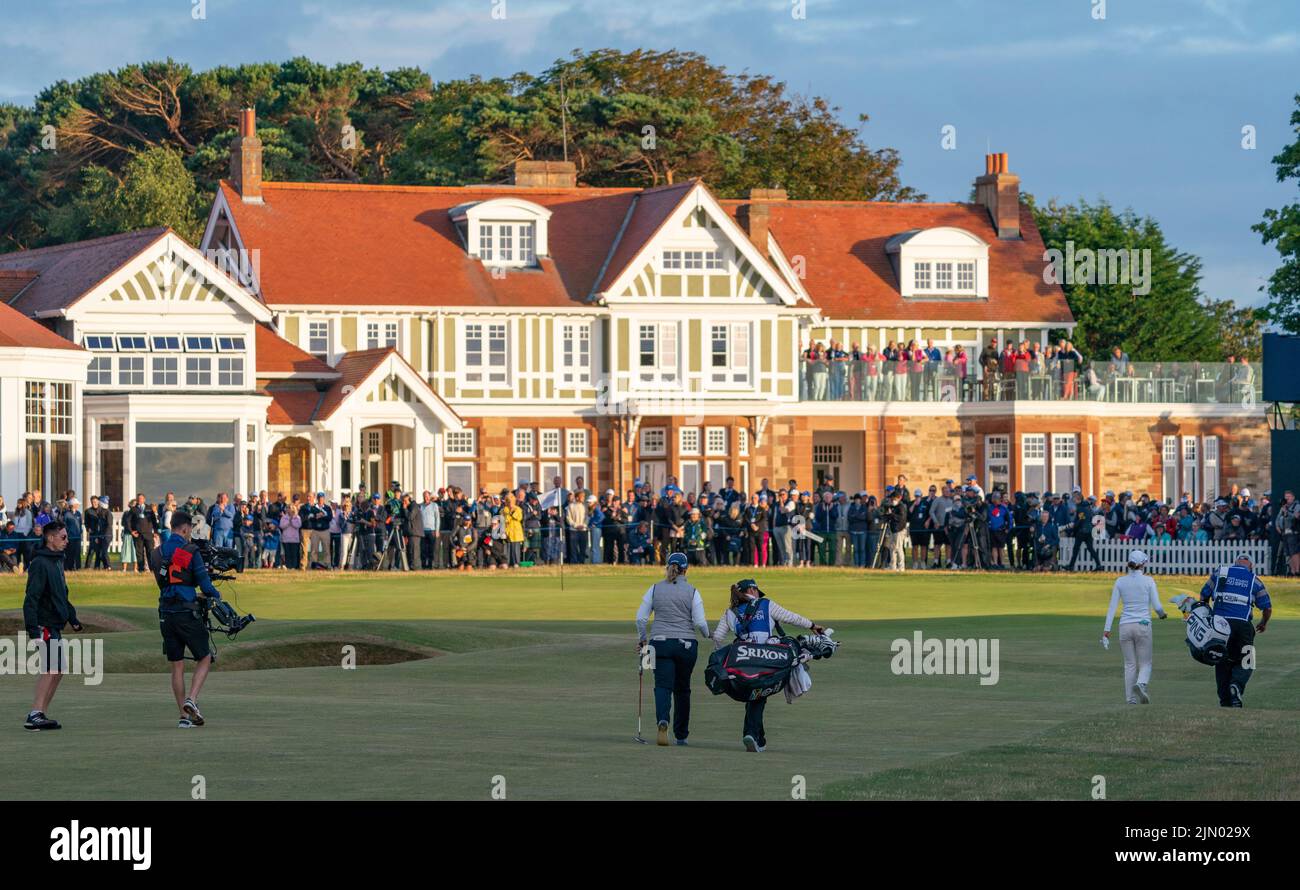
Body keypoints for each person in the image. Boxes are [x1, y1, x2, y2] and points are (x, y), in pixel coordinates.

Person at [711, 579, 825, 752]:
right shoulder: (766, 604)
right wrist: (812, 625)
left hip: (743, 660)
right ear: (752, 589)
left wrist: (726, 655)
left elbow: (718, 637)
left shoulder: (730, 612)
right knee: (759, 693)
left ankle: (758, 738)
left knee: (755, 694)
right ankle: (751, 734)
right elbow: (791, 617)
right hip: (767, 658)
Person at [153, 511, 223, 728]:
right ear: (184, 528)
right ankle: (191, 699)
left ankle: (184, 717)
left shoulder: (157, 552)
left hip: (166, 613)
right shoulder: (189, 550)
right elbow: (204, 584)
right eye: (189, 530)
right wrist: (216, 595)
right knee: (204, 656)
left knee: (177, 666)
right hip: (186, 612)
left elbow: (166, 581)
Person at [634, 552, 710, 746]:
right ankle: (681, 735)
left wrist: (643, 640)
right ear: (687, 569)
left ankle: (663, 720)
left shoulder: (654, 589)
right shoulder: (693, 591)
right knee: (682, 689)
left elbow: (641, 619)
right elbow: (700, 622)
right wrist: (707, 634)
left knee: (662, 686)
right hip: (686, 645)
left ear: (667, 566)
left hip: (659, 643)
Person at [22, 521, 83, 730]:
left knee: (58, 670)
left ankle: (40, 713)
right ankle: (35, 713)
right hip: (44, 624)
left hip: (55, 624)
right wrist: (33, 628)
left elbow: (61, 595)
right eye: (63, 537)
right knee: (52, 668)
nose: (67, 541)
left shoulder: (57, 561)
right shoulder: (40, 563)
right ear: (50, 538)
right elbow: (31, 598)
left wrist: (72, 618)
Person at [1198, 555, 1272, 707]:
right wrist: (1263, 622)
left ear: (1235, 563)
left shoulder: (1220, 573)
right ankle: (1236, 687)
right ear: (1251, 566)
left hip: (1219, 626)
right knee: (1247, 660)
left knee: (1221, 660)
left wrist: (1207, 615)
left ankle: (1226, 701)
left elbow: (1204, 595)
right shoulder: (1254, 580)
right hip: (1242, 626)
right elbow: (1267, 607)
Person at [1101, 550, 1167, 704]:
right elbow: (1157, 606)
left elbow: (1112, 607)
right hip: (1143, 625)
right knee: (1145, 663)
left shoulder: (1120, 581)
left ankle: (1130, 699)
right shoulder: (1149, 581)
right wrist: (1162, 614)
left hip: (1125, 626)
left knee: (1129, 664)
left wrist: (1106, 630)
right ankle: (1141, 684)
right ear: (1143, 564)